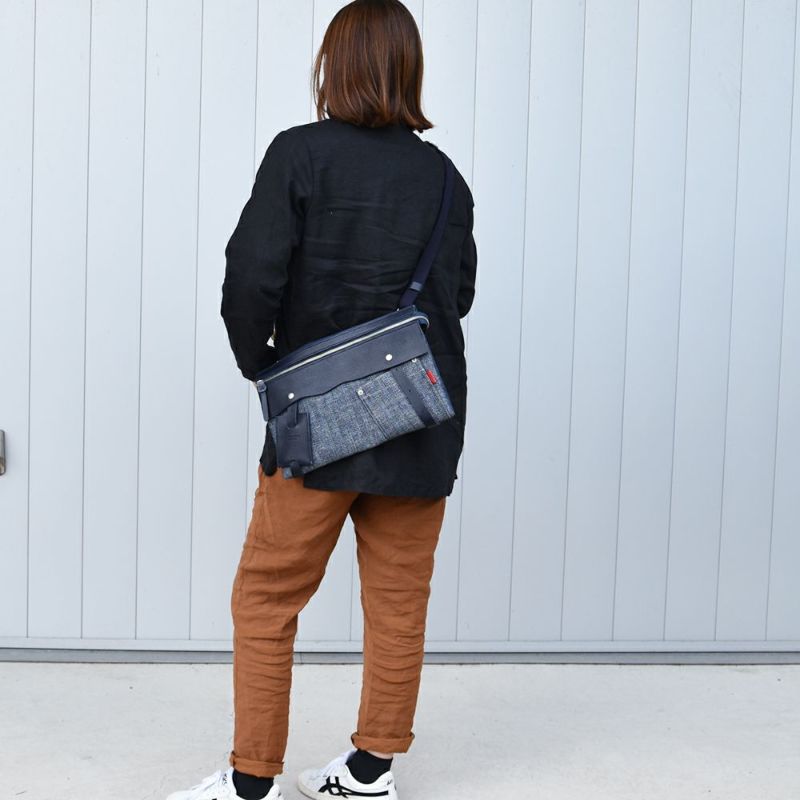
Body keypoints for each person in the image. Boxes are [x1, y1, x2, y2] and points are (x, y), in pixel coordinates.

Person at [166, 1, 476, 798]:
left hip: (317, 424)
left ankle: (251, 782)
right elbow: (459, 297)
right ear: (408, 70)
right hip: (422, 420)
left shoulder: (299, 155)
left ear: (333, 68)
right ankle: (369, 773)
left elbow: (250, 281)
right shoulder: (446, 179)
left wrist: (263, 368)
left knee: (267, 597)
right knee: (399, 603)